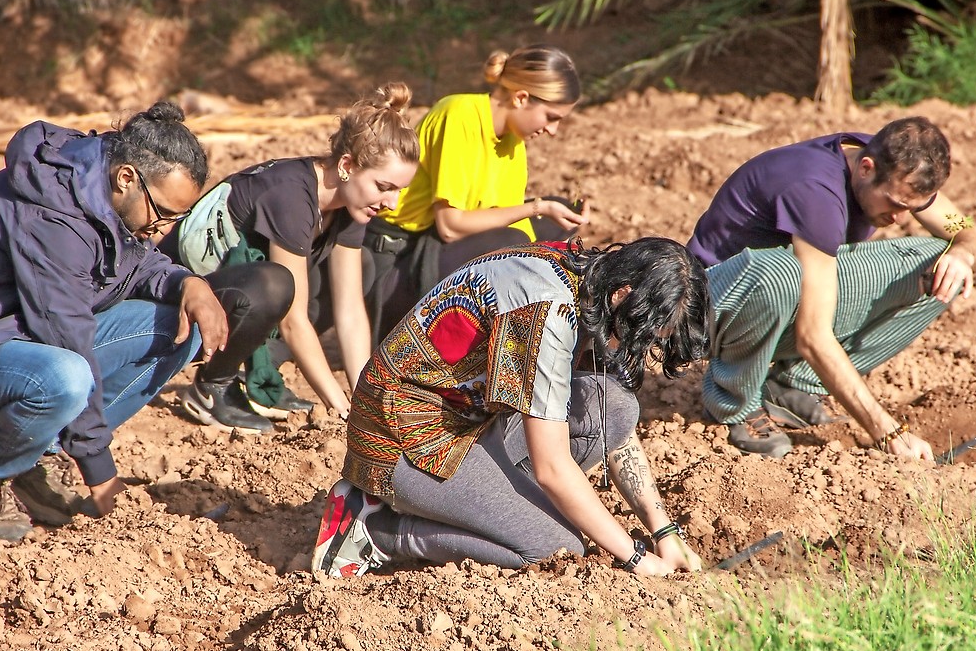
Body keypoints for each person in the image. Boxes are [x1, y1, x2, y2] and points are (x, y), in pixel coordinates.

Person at [0, 102, 228, 545]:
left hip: (13, 340)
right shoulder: (53, 217)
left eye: (176, 219)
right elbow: (68, 341)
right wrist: (99, 470)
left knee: (180, 327)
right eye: (163, 213)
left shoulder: (102, 187)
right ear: (127, 177)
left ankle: (39, 455)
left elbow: (135, 266)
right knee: (67, 377)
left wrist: (189, 284)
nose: (163, 230)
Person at [312, 237, 710, 579]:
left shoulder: (589, 275)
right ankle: (378, 530)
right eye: (638, 335)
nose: (631, 348)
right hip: (405, 436)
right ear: (623, 294)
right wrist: (635, 557)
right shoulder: (546, 313)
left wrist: (663, 531)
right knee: (556, 547)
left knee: (616, 406)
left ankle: (500, 510)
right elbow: (552, 469)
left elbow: (612, 426)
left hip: (470, 417)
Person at [686, 116, 976, 460]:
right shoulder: (816, 190)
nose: (902, 220)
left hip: (781, 295)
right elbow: (813, 337)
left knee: (941, 262)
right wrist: (888, 432)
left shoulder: (895, 166)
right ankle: (734, 403)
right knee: (780, 276)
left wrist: (962, 254)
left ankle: (789, 386)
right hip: (713, 306)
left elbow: (967, 230)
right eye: (895, 204)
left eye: (914, 209)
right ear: (866, 169)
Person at [158, 83, 419, 429]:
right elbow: (293, 322)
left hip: (235, 295)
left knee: (362, 268)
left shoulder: (350, 203)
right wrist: (342, 410)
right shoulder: (292, 195)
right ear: (347, 166)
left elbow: (351, 309)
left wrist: (363, 400)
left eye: (399, 191)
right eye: (384, 187)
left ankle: (252, 373)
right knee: (276, 284)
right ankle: (211, 386)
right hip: (178, 300)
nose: (392, 203)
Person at [363, 45, 589, 340]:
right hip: (396, 263)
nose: (553, 130)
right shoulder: (458, 114)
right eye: (551, 117)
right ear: (521, 98)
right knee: (515, 241)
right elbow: (451, 226)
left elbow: (516, 223)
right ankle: (437, 335)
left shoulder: (512, 141)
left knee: (554, 223)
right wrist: (536, 207)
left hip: (432, 251)